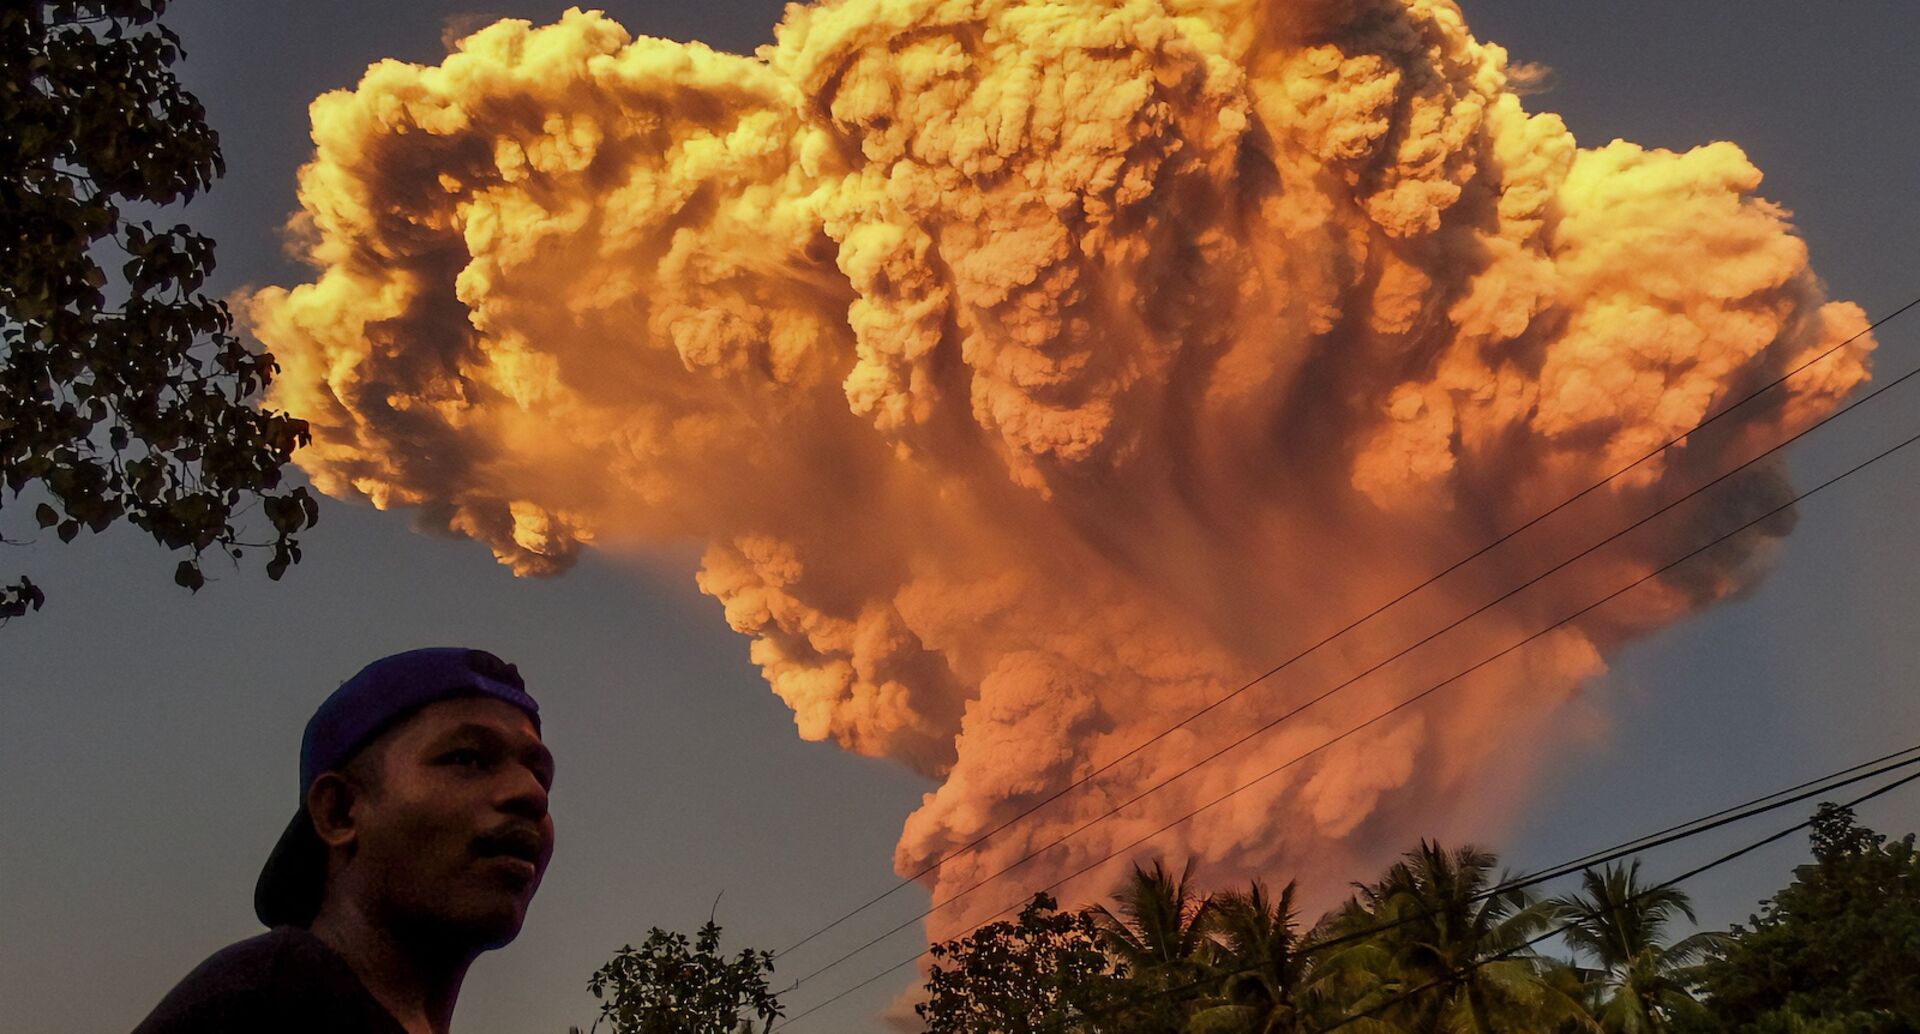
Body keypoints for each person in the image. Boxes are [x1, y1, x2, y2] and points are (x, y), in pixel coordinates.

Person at [134, 647, 557, 1034]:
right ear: (339, 811)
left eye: (539, 774)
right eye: (467, 758)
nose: (532, 794)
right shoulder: (253, 1008)